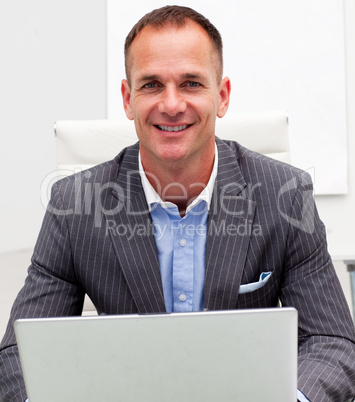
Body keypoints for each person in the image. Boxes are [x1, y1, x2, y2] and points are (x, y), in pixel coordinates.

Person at [1, 5, 355, 402]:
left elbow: (331, 340)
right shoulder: (74, 207)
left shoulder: (285, 195)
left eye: (190, 83)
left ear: (221, 97)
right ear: (127, 98)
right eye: (151, 84)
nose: (171, 105)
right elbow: (19, 353)